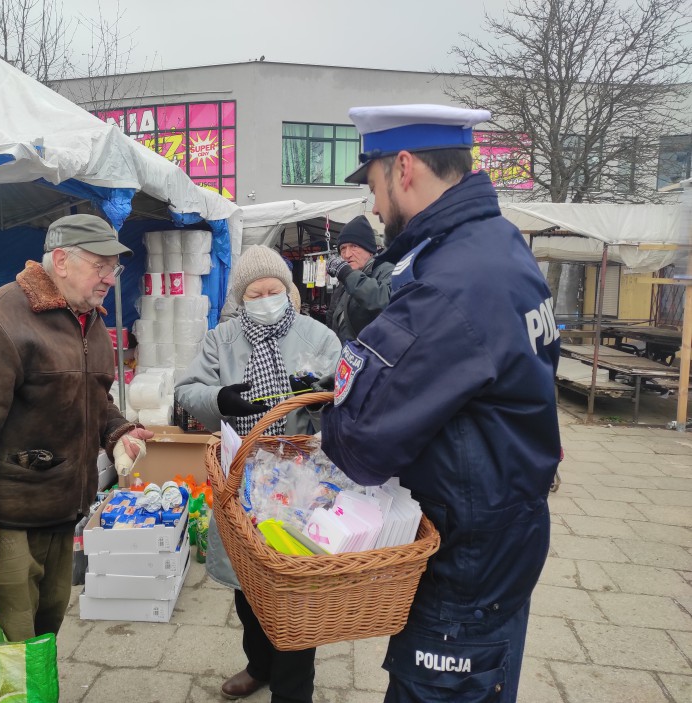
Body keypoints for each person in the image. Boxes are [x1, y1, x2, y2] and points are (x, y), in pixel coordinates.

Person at [320, 105, 561, 702]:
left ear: (404, 169)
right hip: (502, 530)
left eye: (374, 186)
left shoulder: (453, 281)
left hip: (467, 559)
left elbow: (362, 444)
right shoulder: (494, 245)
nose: (374, 207)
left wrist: (334, 407)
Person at [0, 214, 153, 641]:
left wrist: (117, 431)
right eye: (100, 265)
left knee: (44, 633)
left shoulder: (85, 317)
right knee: (11, 648)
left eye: (114, 268)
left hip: (62, 511)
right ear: (61, 261)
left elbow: (94, 396)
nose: (110, 278)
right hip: (10, 520)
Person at [175, 245, 342, 703]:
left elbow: (350, 396)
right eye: (256, 291)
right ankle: (259, 664)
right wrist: (220, 400)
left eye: (274, 289)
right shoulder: (221, 339)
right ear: (241, 298)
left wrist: (326, 394)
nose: (266, 297)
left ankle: (292, 690)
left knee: (295, 590)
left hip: (302, 482)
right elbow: (188, 390)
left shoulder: (319, 336)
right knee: (248, 584)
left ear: (289, 291)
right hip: (243, 478)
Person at [324, 215, 394, 343]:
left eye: (354, 246)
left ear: (370, 249)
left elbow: (385, 301)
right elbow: (333, 315)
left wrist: (346, 274)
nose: (347, 254)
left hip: (370, 357)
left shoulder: (387, 270)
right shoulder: (348, 278)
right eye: (342, 249)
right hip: (344, 357)